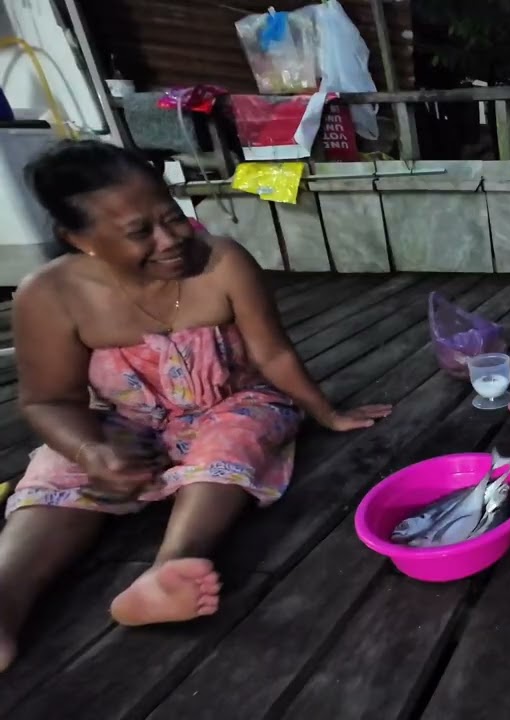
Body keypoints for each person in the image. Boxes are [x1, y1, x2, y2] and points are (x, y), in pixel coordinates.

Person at [0, 140, 391, 672]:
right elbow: (49, 400)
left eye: (172, 216)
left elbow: (272, 353)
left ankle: (172, 567)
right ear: (78, 239)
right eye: (141, 232)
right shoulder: (46, 294)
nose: (171, 239)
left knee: (232, 438)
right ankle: (6, 599)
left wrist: (326, 411)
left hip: (232, 402)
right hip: (124, 420)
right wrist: (90, 450)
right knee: (58, 467)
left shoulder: (223, 261)